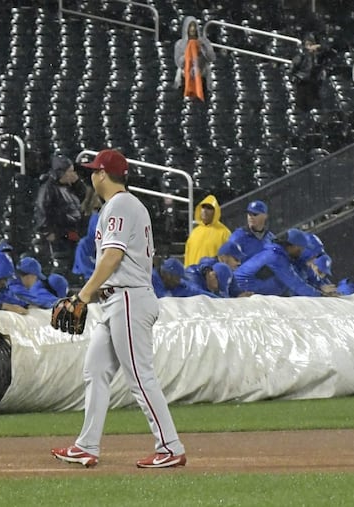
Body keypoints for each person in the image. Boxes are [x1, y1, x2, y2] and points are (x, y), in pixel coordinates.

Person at [51, 148, 186, 469]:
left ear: (102, 174)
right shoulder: (119, 206)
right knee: (95, 370)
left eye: (93, 171)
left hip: (129, 299)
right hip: (118, 298)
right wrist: (92, 295)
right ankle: (87, 445)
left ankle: (170, 446)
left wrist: (82, 297)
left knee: (140, 377)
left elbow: (112, 257)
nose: (91, 176)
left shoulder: (121, 205)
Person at [234, 228, 323, 297]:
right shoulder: (276, 258)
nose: (301, 252)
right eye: (300, 249)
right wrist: (321, 295)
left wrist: (320, 286)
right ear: (294, 246)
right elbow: (295, 284)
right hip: (240, 293)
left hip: (248, 292)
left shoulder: (278, 255)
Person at [34, 155, 88, 260]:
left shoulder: (69, 186)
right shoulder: (48, 189)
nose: (73, 174)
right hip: (59, 234)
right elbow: (42, 210)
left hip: (72, 230)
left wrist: (77, 182)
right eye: (70, 171)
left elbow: (81, 195)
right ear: (62, 173)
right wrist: (48, 232)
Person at [173, 16, 216, 101]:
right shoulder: (179, 44)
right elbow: (178, 62)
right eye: (190, 27)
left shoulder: (204, 42)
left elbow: (212, 58)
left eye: (194, 27)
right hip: (185, 78)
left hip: (201, 76)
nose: (192, 30)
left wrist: (202, 48)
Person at [183, 194, 230, 267]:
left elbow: (229, 258)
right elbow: (187, 255)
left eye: (209, 208)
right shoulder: (195, 232)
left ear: (215, 211)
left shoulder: (224, 233)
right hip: (193, 276)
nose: (204, 210)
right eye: (203, 207)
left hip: (212, 276)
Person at [290, 33, 328, 112]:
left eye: (311, 44)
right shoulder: (301, 57)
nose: (310, 47)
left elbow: (327, 51)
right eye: (308, 44)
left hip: (315, 85)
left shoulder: (318, 57)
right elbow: (293, 70)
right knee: (302, 106)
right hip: (303, 85)